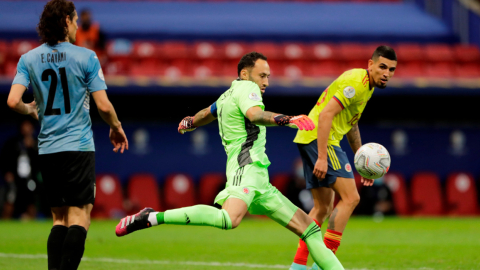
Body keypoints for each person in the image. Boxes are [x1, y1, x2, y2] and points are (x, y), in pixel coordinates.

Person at [115, 52, 344, 270]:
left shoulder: (227, 95)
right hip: (245, 169)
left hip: (260, 179)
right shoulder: (247, 88)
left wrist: (191, 121)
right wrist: (287, 119)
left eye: (268, 77)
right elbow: (255, 115)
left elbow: (208, 112)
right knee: (228, 219)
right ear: (244, 74)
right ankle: (152, 217)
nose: (265, 82)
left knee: (310, 230)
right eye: (262, 75)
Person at [6, 1, 128, 269]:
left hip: (48, 149)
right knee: (80, 217)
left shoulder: (28, 58)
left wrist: (30, 109)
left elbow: (13, 101)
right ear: (65, 22)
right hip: (78, 147)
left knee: (59, 219)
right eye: (74, 21)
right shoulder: (86, 57)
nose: (76, 26)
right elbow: (104, 106)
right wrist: (116, 126)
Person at [289, 46, 397, 270]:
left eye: (392, 69)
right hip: (322, 140)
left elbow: (351, 124)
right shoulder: (356, 83)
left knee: (322, 208)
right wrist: (321, 157)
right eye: (382, 66)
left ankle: (298, 266)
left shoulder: (367, 88)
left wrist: (362, 164)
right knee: (351, 198)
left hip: (310, 137)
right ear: (370, 64)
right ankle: (324, 266)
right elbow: (327, 114)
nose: (387, 73)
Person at [0, 119, 40, 219]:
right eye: (25, 125)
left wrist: (33, 147)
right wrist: (7, 172)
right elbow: (5, 158)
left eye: (29, 126)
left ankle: (31, 224)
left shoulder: (36, 144)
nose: (27, 128)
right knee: (10, 201)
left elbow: (40, 162)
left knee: (31, 203)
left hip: (31, 179)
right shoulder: (13, 143)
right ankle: (5, 224)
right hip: (15, 179)